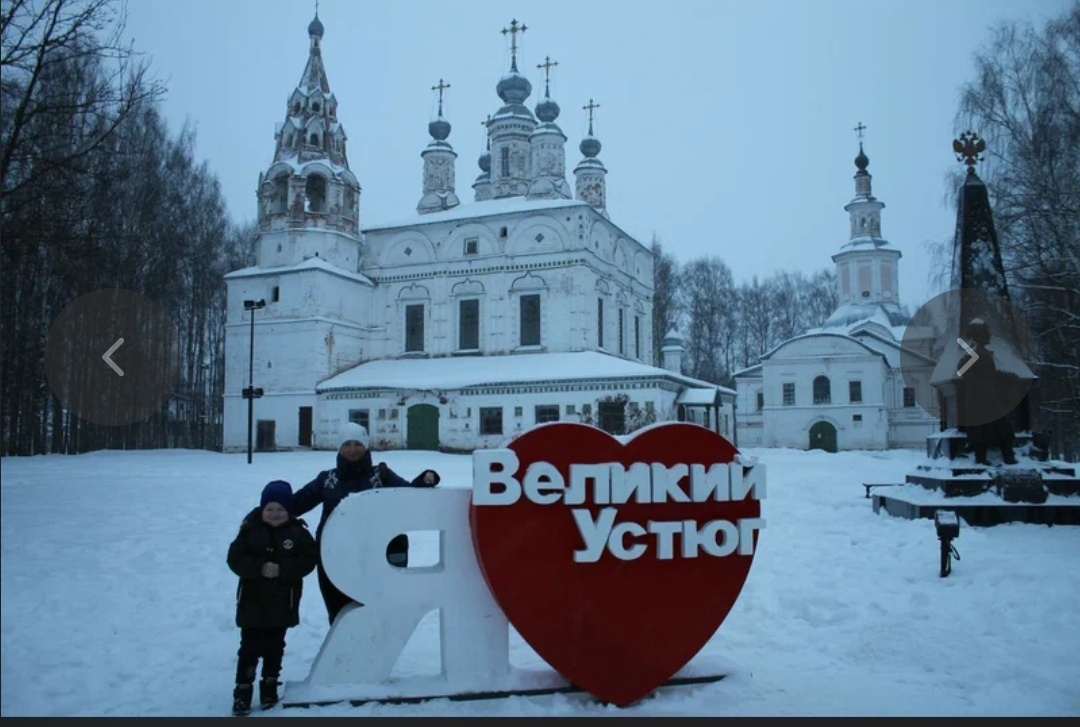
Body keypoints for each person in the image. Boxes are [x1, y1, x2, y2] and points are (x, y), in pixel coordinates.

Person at [291, 421, 441, 626]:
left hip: (373, 556)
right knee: (338, 614)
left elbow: (409, 496)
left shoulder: (381, 476)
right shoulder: (327, 480)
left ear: (366, 446)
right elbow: (295, 505)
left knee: (371, 611)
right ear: (339, 447)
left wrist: (425, 479)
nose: (352, 449)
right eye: (347, 444)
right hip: (334, 556)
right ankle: (341, 654)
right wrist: (265, 511)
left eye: (357, 444)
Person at [226, 480, 317, 716]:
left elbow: (308, 561)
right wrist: (259, 567)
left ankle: (269, 685)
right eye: (269, 509)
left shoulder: (298, 533)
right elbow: (234, 558)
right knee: (249, 648)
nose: (274, 514)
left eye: (280, 509)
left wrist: (283, 570)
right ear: (261, 509)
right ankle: (243, 690)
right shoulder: (249, 531)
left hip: (282, 602)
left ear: (289, 511)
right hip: (251, 603)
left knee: (274, 647)